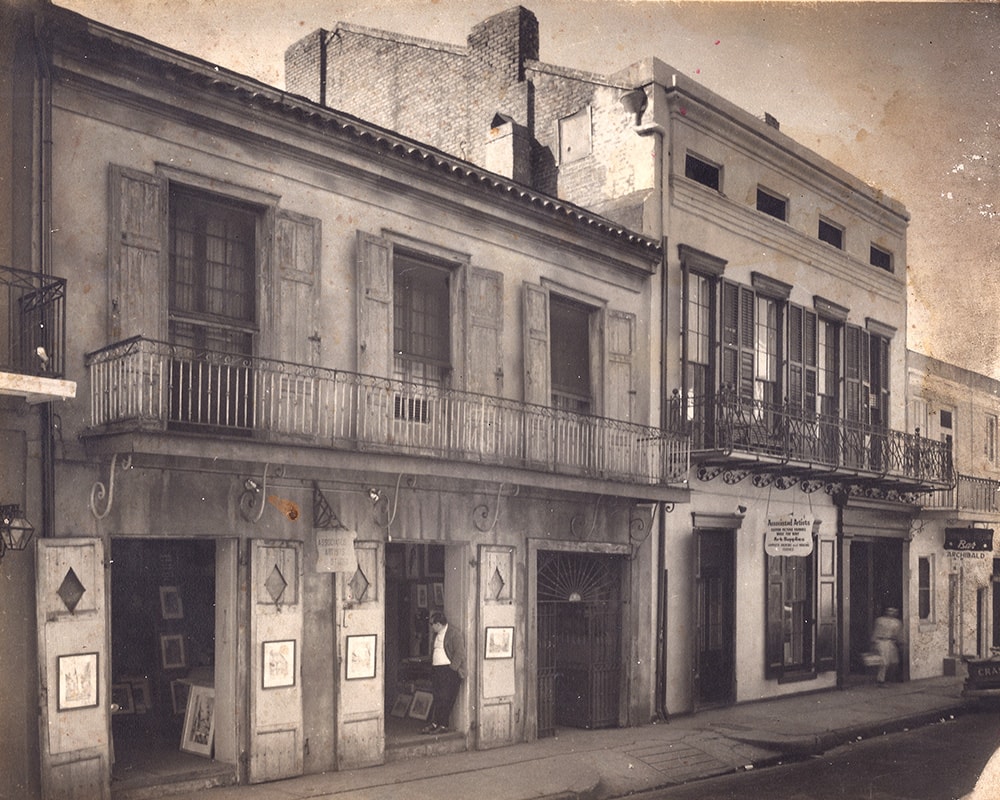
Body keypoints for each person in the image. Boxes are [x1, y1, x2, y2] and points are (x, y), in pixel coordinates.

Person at [422, 611, 466, 733]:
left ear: (438, 624)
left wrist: (452, 669)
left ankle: (443, 725)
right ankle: (435, 723)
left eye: (432, 624)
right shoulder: (436, 635)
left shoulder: (454, 633)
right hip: (437, 670)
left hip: (448, 671)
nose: (431, 626)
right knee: (437, 697)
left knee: (446, 698)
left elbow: (459, 653)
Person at [871, 606, 903, 686]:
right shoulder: (880, 620)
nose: (891, 612)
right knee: (884, 662)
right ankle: (880, 680)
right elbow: (876, 631)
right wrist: (873, 642)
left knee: (894, 661)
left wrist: (900, 641)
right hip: (881, 641)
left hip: (891, 642)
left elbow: (898, 634)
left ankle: (888, 678)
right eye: (889, 610)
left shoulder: (897, 622)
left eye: (893, 611)